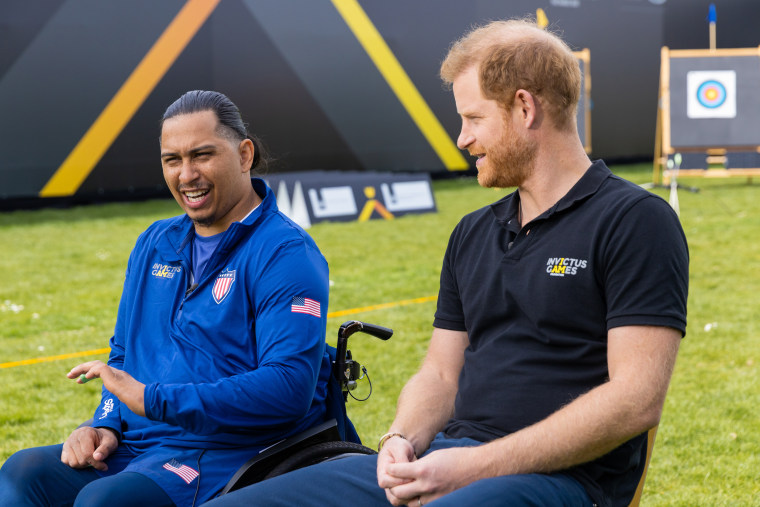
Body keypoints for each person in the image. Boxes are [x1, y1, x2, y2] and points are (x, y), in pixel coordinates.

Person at [201, 19, 689, 507]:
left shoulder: (635, 221)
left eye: (473, 119)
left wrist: (474, 467)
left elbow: (636, 400)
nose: (462, 138)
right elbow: (440, 375)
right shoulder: (472, 232)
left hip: (560, 481)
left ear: (524, 108)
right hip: (448, 461)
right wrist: (400, 441)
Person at [0, 90, 334, 506]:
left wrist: (152, 400)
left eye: (202, 155)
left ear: (245, 155)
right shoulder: (154, 242)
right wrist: (105, 426)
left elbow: (289, 388)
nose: (186, 174)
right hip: (138, 441)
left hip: (223, 451)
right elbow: (123, 355)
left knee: (104, 501)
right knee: (22, 473)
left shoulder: (285, 252)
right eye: (172, 160)